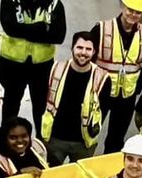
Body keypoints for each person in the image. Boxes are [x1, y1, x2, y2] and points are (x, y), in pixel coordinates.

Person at [0, 0, 67, 131]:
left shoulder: (55, 3)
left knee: (41, 107)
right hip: (12, 64)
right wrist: (42, 27)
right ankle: (5, 139)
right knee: (10, 105)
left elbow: (59, 36)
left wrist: (24, 30)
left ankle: (42, 141)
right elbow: (10, 28)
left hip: (41, 67)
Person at [89, 0, 142, 152]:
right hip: (100, 93)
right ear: (123, 6)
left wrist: (137, 87)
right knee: (89, 132)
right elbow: (88, 59)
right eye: (130, 10)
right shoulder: (102, 29)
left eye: (138, 12)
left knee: (116, 138)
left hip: (126, 97)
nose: (133, 15)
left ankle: (109, 170)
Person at [42, 32, 108, 164]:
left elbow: (103, 110)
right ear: (72, 48)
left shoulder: (103, 78)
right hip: (55, 139)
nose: (83, 53)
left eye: (88, 49)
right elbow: (43, 101)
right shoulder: (55, 69)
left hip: (84, 144)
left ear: (94, 51)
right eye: (79, 48)